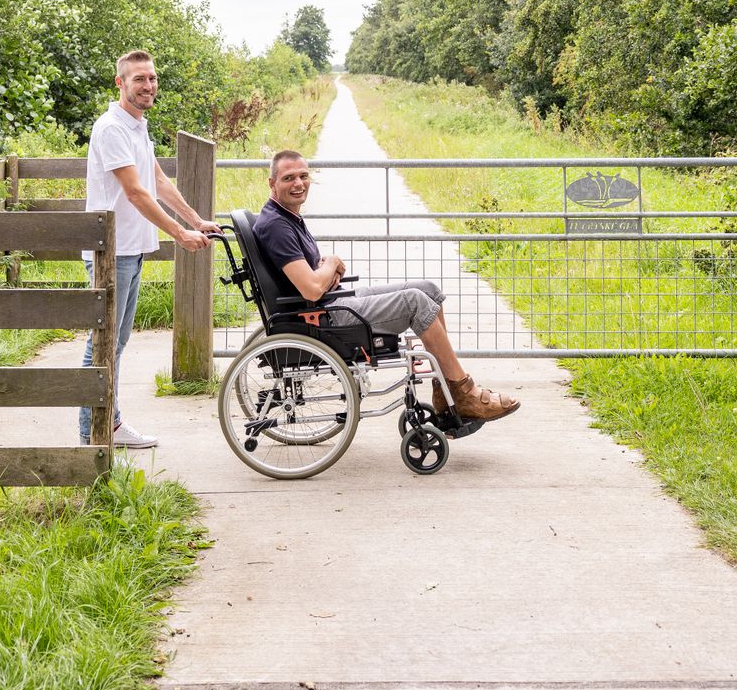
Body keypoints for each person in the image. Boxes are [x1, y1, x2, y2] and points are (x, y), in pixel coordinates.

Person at [254, 150, 520, 424]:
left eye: (303, 176)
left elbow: (308, 275)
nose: (299, 183)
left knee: (428, 289)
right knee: (415, 301)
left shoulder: (285, 216)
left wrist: (324, 268)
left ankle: (444, 390)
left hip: (328, 302)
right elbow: (311, 289)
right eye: (289, 178)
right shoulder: (277, 226)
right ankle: (464, 392)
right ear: (272, 183)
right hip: (322, 315)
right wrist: (331, 263)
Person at [79, 49, 220, 447]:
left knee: (117, 342)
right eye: (139, 79)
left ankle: (112, 425)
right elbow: (137, 193)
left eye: (152, 78)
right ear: (120, 83)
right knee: (102, 343)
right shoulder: (111, 129)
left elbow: (157, 180)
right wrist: (179, 234)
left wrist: (195, 219)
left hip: (132, 249)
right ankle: (93, 436)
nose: (148, 86)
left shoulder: (138, 126)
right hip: (110, 253)